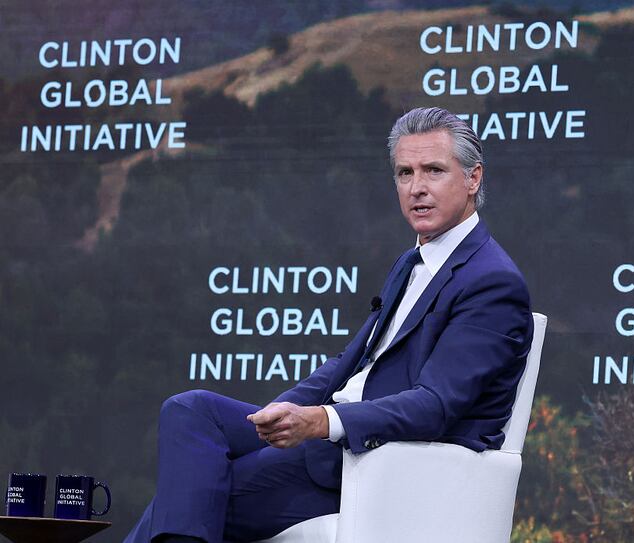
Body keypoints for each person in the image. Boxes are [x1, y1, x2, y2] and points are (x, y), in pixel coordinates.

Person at [124, 107, 533, 543]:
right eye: (404, 173)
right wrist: (282, 413)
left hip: (374, 462)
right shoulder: (414, 261)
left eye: (434, 171)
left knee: (188, 498)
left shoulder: (492, 282)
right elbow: (353, 363)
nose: (416, 188)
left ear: (473, 179)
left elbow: (434, 406)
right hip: (328, 440)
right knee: (189, 410)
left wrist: (321, 421)